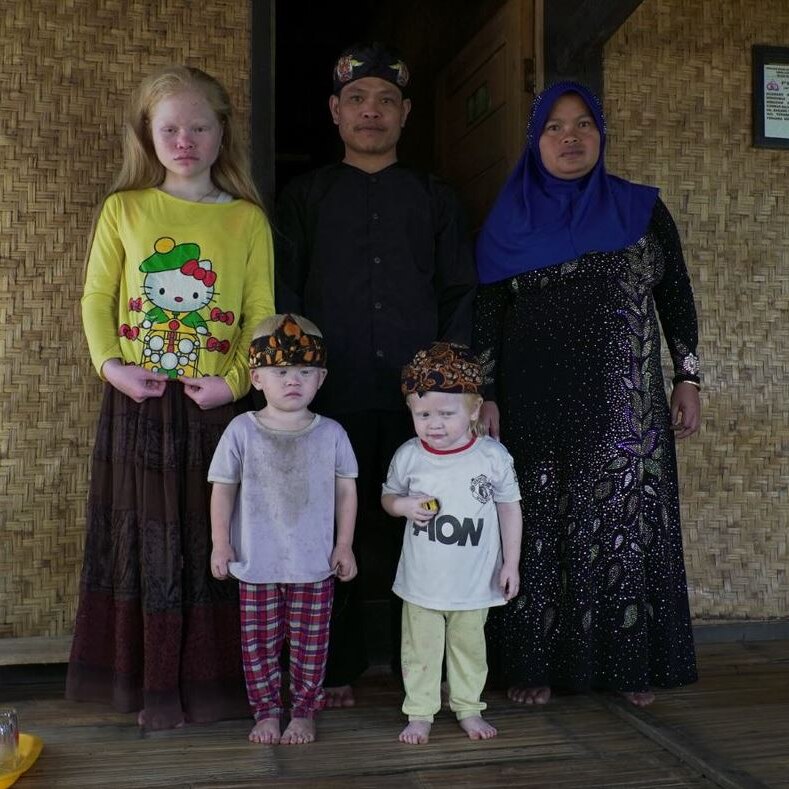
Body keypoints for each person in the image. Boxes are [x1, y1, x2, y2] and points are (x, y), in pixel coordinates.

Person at [473, 81, 701, 708]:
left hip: (626, 404)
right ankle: (534, 665)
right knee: (537, 526)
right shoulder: (510, 214)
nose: (569, 137)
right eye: (554, 127)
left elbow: (675, 297)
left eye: (582, 125)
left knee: (624, 526)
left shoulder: (640, 209)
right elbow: (487, 311)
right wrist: (485, 391)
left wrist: (689, 376)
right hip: (533, 401)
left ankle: (630, 665)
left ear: (601, 136)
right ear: (535, 139)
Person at [66, 65, 275, 730]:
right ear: (147, 136)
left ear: (221, 135)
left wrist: (235, 383)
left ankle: (209, 689)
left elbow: (262, 316)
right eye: (169, 128)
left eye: (199, 127)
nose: (184, 139)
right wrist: (111, 366)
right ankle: (146, 688)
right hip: (137, 404)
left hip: (216, 410)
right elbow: (96, 296)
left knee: (210, 541)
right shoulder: (124, 209)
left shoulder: (247, 221)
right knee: (144, 541)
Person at [275, 42, 478, 706]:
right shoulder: (302, 197)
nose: (371, 112)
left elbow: (459, 292)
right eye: (357, 100)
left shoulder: (434, 197)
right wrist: (291, 390)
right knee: (328, 529)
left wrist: (457, 387)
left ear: (406, 112)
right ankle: (335, 667)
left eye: (385, 101)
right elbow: (285, 297)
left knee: (422, 525)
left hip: (421, 405)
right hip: (326, 398)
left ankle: (414, 665)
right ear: (334, 112)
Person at [208, 314, 358, 745]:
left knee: (311, 646)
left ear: (321, 378)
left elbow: (346, 492)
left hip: (313, 563)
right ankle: (266, 712)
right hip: (256, 562)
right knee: (257, 646)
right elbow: (223, 489)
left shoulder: (331, 433)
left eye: (305, 372)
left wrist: (343, 544)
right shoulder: (242, 431)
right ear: (256, 377)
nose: (293, 380)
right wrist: (221, 544)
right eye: (280, 372)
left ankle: (305, 712)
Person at [382, 342, 522, 744]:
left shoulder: (492, 458)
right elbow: (388, 499)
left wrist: (510, 564)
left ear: (475, 410)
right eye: (424, 414)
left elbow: (510, 509)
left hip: (474, 583)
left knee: (469, 649)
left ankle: (468, 706)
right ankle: (420, 712)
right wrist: (403, 505)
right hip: (421, 583)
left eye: (447, 414)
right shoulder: (409, 456)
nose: (435, 424)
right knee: (420, 652)